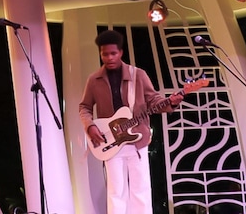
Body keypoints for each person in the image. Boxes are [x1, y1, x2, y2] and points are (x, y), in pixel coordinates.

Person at [78, 29, 182, 214]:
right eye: (105, 54)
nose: (109, 58)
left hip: (137, 140)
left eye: (113, 53)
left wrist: (170, 102)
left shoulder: (138, 75)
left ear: (121, 52)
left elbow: (154, 101)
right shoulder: (94, 80)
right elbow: (84, 107)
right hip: (110, 141)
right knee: (115, 192)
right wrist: (90, 126)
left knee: (140, 190)